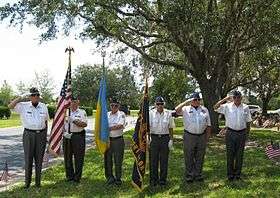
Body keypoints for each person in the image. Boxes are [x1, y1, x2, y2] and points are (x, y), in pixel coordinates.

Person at [8, 87, 49, 188]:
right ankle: (27, 183)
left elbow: (46, 121)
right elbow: (10, 106)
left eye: (37, 95)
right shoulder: (23, 106)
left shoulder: (44, 106)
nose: (36, 97)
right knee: (28, 159)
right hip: (28, 135)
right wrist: (20, 97)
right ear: (30, 97)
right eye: (34, 95)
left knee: (39, 160)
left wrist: (46, 136)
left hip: (41, 135)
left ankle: (38, 183)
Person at [214, 90, 252, 181]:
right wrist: (225, 99)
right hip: (230, 133)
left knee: (239, 155)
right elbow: (215, 107)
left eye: (238, 97)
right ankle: (230, 174)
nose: (236, 99)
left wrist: (247, 134)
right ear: (232, 98)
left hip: (242, 133)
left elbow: (248, 121)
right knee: (230, 154)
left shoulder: (246, 107)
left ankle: (237, 174)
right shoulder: (227, 106)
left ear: (241, 98)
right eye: (234, 97)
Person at [175, 92, 211, 183]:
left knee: (200, 156)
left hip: (201, 136)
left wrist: (207, 137)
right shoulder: (185, 109)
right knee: (189, 156)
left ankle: (198, 174)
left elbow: (208, 124)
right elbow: (176, 110)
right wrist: (186, 101)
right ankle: (189, 175)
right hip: (189, 136)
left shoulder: (204, 109)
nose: (197, 101)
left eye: (199, 99)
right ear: (191, 100)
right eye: (195, 99)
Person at [149, 96, 175, 186]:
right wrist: (148, 138)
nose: (160, 105)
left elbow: (171, 127)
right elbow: (148, 127)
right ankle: (153, 179)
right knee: (153, 160)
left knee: (164, 160)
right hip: (154, 138)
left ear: (164, 104)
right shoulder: (150, 113)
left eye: (161, 104)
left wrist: (171, 139)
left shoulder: (168, 113)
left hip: (165, 138)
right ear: (155, 104)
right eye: (158, 104)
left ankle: (163, 180)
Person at [63, 96, 87, 183]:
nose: (73, 103)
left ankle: (77, 177)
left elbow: (84, 124)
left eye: (75, 101)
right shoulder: (65, 112)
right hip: (67, 136)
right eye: (72, 101)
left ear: (78, 102)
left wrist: (73, 120)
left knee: (79, 157)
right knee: (67, 157)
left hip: (78, 136)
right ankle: (69, 177)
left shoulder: (82, 112)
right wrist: (64, 132)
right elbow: (60, 124)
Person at [104, 98, 126, 186]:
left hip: (118, 140)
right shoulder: (106, 114)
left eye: (116, 105)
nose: (114, 107)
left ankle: (118, 179)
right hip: (108, 140)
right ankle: (110, 177)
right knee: (108, 160)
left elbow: (120, 125)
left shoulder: (121, 114)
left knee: (118, 160)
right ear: (110, 106)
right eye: (112, 105)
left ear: (118, 106)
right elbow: (103, 126)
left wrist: (109, 128)